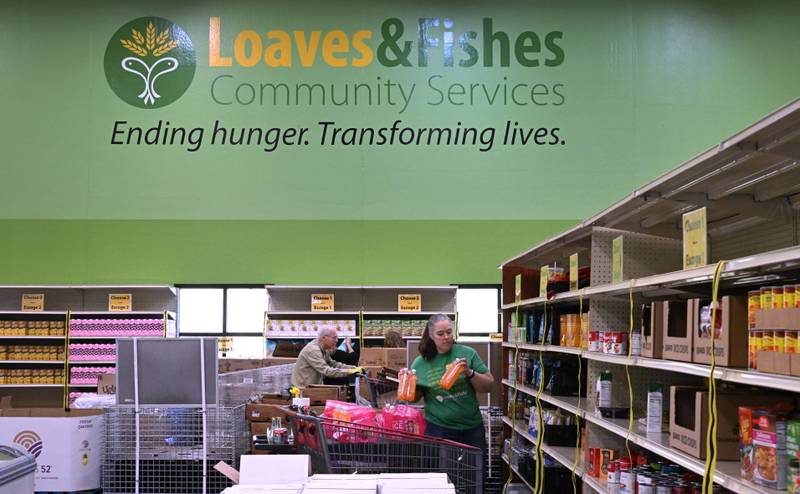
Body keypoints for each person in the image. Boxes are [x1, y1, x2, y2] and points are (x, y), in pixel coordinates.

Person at [410, 313, 493, 491]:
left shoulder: (467, 353)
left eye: (449, 332)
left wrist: (469, 372)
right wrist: (408, 385)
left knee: (475, 480)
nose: (446, 337)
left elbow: (488, 385)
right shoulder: (421, 362)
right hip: (439, 429)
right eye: (441, 333)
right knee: (444, 481)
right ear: (431, 335)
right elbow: (415, 398)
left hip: (471, 427)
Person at [291, 328, 363, 387]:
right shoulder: (313, 350)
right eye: (334, 338)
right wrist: (349, 372)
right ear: (324, 338)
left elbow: (333, 364)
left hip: (313, 388)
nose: (337, 340)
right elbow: (327, 371)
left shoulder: (324, 349)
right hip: (302, 390)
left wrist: (353, 368)